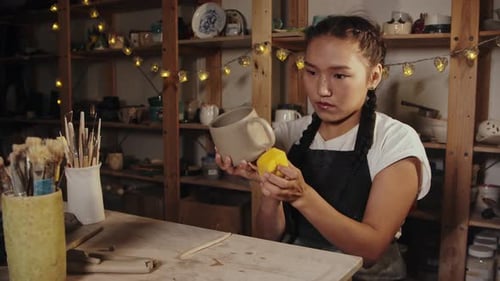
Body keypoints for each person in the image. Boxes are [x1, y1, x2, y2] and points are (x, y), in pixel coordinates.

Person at [216, 15, 431, 280]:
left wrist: (301, 195)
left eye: (339, 75)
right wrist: (271, 191)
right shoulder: (287, 134)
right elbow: (266, 238)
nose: (322, 90)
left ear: (373, 76)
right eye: (311, 71)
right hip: (292, 271)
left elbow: (370, 250)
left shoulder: (396, 141)